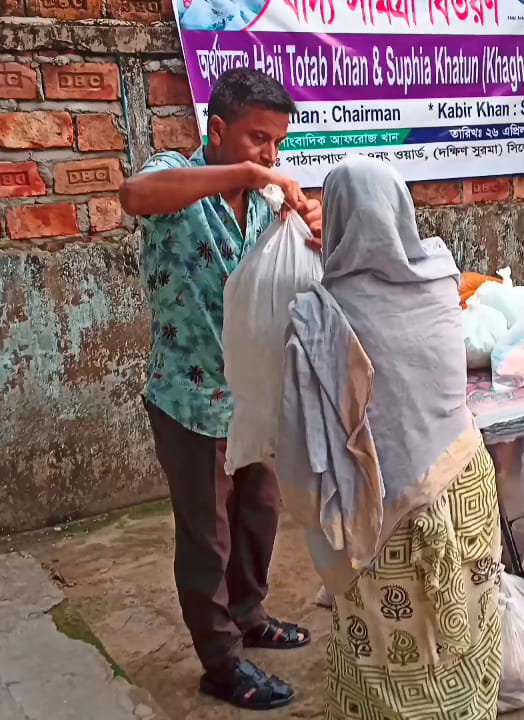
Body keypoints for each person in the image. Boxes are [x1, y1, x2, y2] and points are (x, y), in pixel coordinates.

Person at [119, 67, 322, 711]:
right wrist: (248, 176)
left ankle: (250, 615)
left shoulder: (263, 206)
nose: (271, 155)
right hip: (187, 396)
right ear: (217, 130)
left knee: (258, 513)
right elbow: (133, 195)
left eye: (277, 143)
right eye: (258, 139)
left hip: (251, 396)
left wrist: (310, 225)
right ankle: (220, 662)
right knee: (206, 535)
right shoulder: (174, 174)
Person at [275, 155, 502, 720]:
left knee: (388, 646)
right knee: (466, 627)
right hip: (464, 486)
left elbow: (302, 433)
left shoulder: (316, 314)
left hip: (378, 510)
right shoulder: (441, 279)